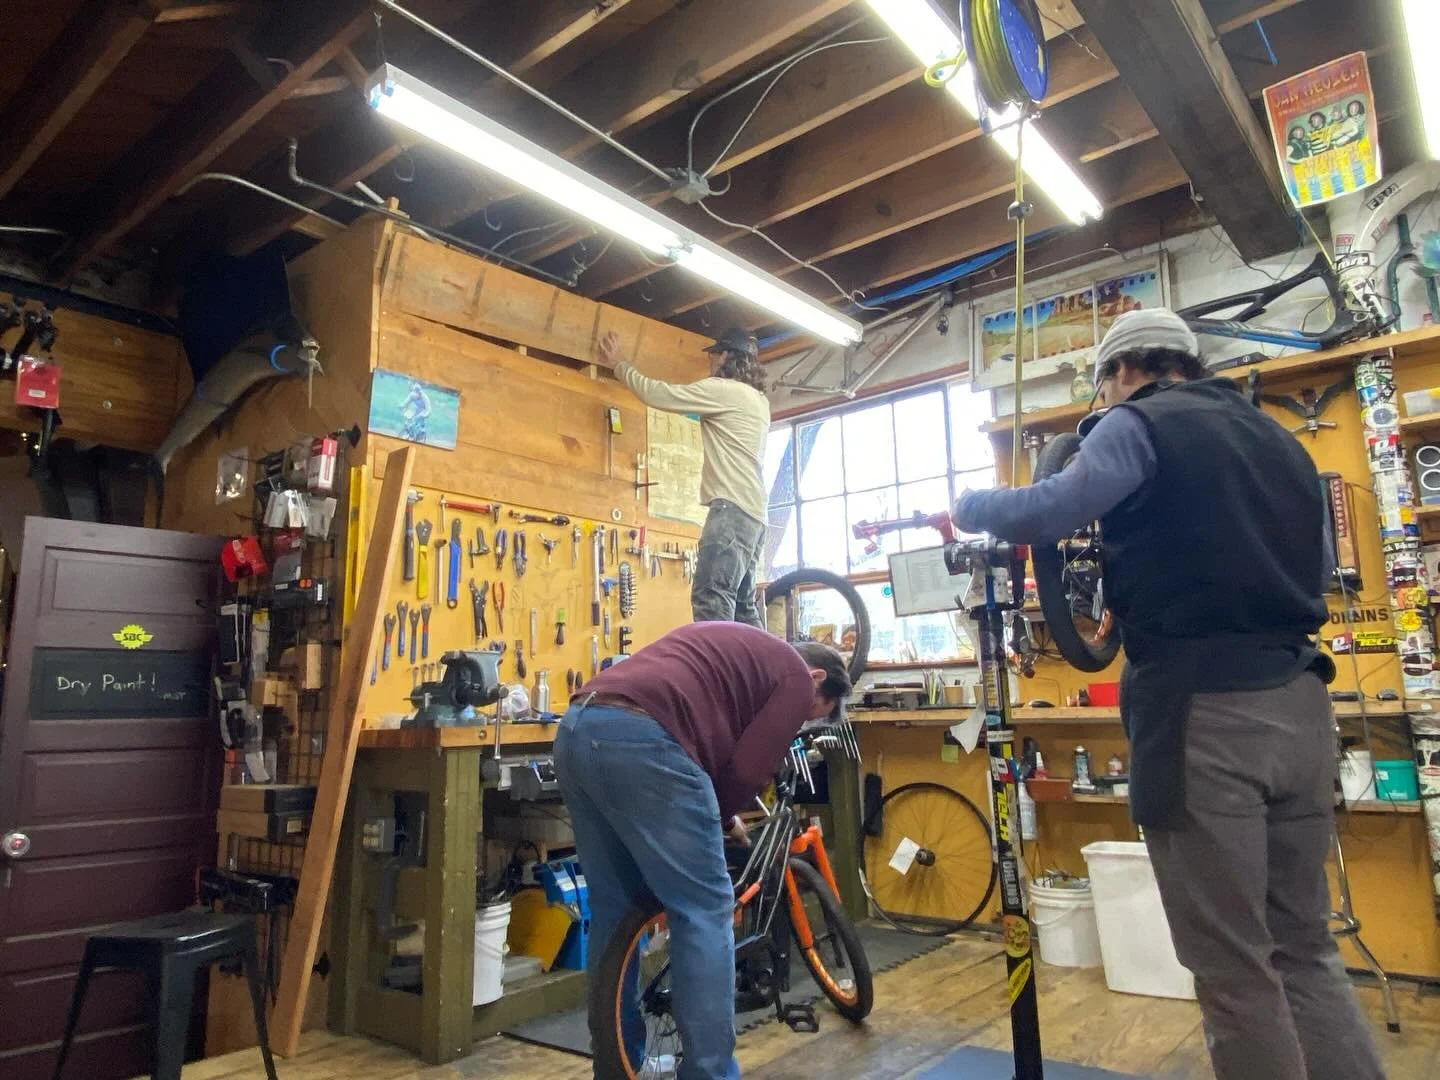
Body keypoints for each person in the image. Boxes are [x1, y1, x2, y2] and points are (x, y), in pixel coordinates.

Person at [952, 309, 1385, 1080]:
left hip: (1204, 713)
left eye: (1104, 390)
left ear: (1122, 373)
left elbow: (1052, 508)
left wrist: (970, 506)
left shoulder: (1137, 423)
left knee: (1234, 968)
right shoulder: (1280, 442)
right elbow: (1318, 568)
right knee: (1305, 948)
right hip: (1302, 703)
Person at [555, 622, 850, 1080]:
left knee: (615, 911)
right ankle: (710, 1074)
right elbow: (748, 770)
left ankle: (618, 1066)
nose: (799, 720)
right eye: (809, 712)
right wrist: (720, 816)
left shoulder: (741, 650)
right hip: (644, 740)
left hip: (577, 728)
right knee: (705, 910)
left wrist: (720, 815)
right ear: (816, 678)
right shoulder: (795, 675)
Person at [600, 327, 770, 625]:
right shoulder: (759, 402)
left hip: (730, 511)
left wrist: (620, 365)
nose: (709, 362)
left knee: (711, 598)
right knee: (743, 608)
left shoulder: (723, 390)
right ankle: (763, 659)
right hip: (756, 518)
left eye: (713, 355)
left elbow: (658, 394)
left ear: (726, 356)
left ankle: (717, 659)